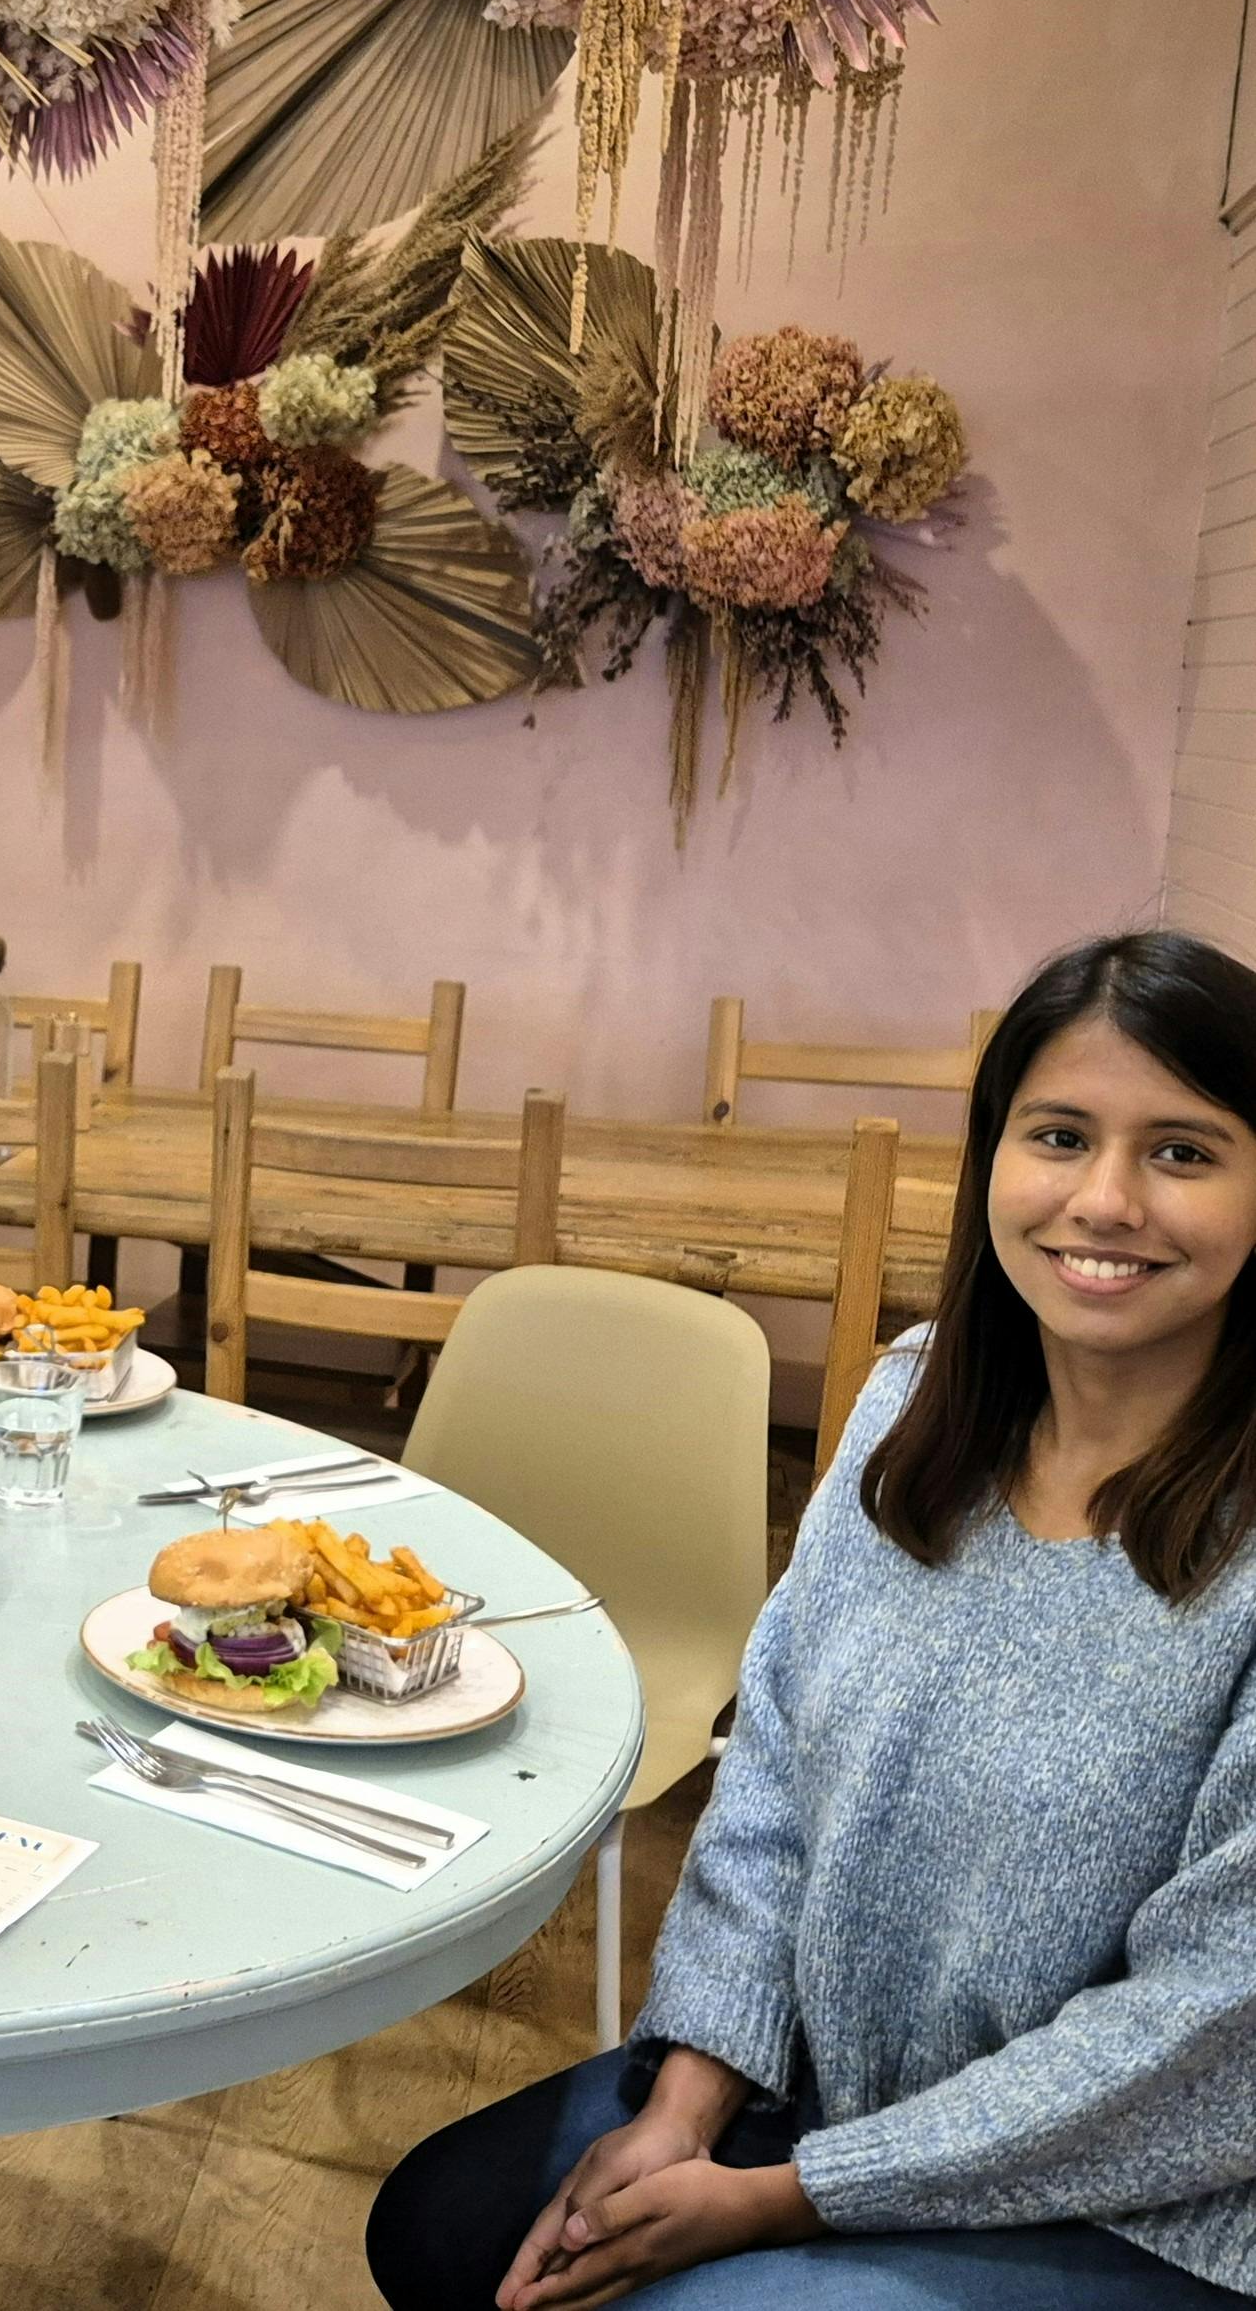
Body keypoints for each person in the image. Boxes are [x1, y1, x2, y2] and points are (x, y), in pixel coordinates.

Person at [367, 929, 1256, 2311]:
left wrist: (786, 2195)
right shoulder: (915, 1400)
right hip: (838, 2091)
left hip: (1156, 2197)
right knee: (437, 2226)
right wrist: (685, 2098)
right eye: (1060, 1133)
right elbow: (772, 1760)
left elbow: (1207, 2036)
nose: (1104, 1198)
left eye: (1183, 1150)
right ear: (990, 1158)